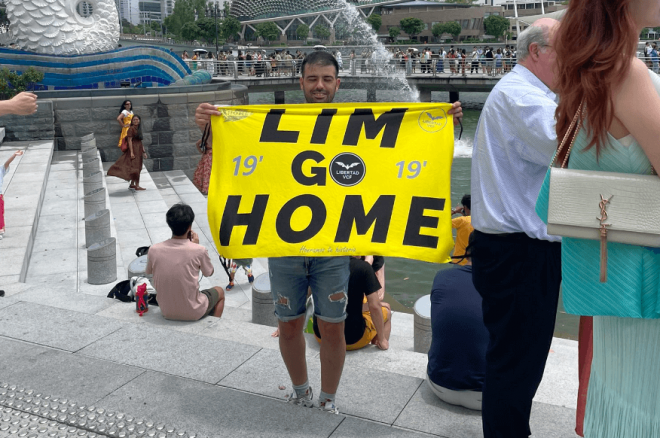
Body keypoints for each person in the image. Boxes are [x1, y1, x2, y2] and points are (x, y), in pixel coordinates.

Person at [194, 51, 464, 415]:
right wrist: (214, 128)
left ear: (338, 84)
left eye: (326, 79)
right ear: (300, 82)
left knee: (331, 328)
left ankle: (328, 398)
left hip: (334, 251)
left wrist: (437, 122)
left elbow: (389, 161)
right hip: (285, 248)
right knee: (288, 326)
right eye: (311, 79)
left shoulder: (355, 123)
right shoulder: (274, 123)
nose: (319, 86)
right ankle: (301, 390)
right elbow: (228, 174)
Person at [537, 1, 660, 436]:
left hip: (616, 282)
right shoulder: (630, 75)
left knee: (625, 400)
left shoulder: (587, 72)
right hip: (647, 284)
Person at [470, 18, 562, 438]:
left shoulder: (521, 91)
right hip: (519, 250)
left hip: (509, 247)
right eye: (567, 50)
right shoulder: (524, 97)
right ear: (538, 51)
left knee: (516, 356)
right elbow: (569, 142)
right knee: (517, 360)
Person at [427, 233, 488, 411]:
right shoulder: (506, 286)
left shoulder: (442, 277)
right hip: (486, 395)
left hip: (438, 385)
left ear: (467, 251)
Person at [146, 204, 225, 320]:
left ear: (169, 224)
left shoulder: (153, 249)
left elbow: (148, 272)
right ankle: (212, 327)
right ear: (190, 226)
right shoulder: (199, 250)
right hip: (193, 311)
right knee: (220, 292)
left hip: (166, 310)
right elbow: (209, 272)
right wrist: (196, 246)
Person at [313, 256, 392, 351]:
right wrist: (368, 264)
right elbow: (375, 307)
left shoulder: (320, 261)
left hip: (321, 336)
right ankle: (380, 343)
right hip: (352, 339)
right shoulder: (363, 267)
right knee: (386, 311)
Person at [107, 115, 148, 190]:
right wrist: (132, 152)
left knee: (138, 167)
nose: (136, 121)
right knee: (136, 168)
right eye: (134, 120)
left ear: (139, 120)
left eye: (137, 120)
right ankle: (137, 185)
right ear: (132, 121)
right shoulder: (131, 129)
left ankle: (132, 184)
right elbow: (129, 141)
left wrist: (144, 152)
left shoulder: (139, 129)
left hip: (138, 149)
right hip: (134, 149)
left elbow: (140, 142)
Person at [0, 150, 24, 240]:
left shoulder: (1, 170)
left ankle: (0, 230)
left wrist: (14, 155)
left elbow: (7, 163)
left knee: (0, 213)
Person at [450, 194, 473, 265]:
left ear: (465, 207)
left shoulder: (462, 221)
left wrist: (454, 211)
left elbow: (441, 224)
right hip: (477, 263)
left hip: (460, 261)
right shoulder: (482, 220)